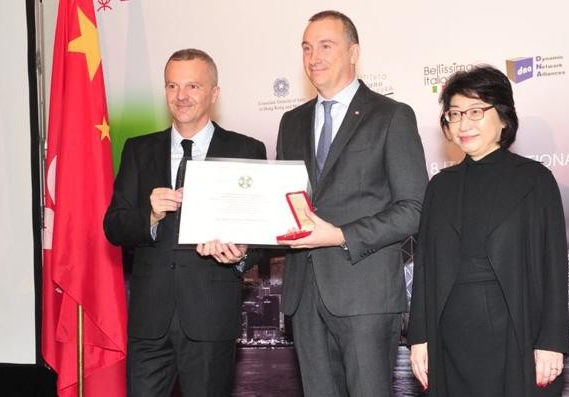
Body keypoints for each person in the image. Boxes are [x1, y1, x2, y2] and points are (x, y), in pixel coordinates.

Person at [275, 10, 428, 397]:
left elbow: (414, 208)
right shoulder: (291, 122)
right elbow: (284, 207)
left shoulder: (391, 116)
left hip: (366, 296)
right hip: (304, 298)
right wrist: (238, 242)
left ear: (354, 52)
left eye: (326, 46)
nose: (314, 58)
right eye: (307, 48)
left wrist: (341, 235)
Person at [103, 48, 266, 397]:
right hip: (149, 322)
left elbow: (264, 236)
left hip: (210, 318)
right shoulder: (138, 149)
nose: (181, 96)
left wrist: (240, 254)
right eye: (172, 86)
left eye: (193, 86)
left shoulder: (247, 149)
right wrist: (149, 215)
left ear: (214, 93)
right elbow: (113, 226)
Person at [407, 65, 569, 396]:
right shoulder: (440, 186)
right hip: (449, 334)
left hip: (515, 329)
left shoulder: (535, 180)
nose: (464, 123)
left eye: (476, 111)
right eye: (454, 114)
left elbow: (554, 266)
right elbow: (424, 267)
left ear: (504, 117)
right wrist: (419, 338)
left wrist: (551, 341)